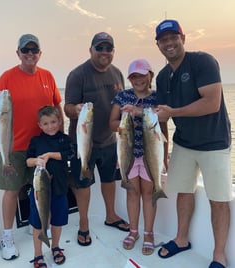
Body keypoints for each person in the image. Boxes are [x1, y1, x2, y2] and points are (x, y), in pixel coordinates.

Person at [155, 19, 232, 268]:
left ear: (183, 38)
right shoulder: (163, 76)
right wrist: (164, 152)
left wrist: (174, 112)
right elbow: (161, 116)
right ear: (158, 44)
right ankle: (181, 239)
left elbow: (212, 103)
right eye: (163, 39)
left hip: (214, 143)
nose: (169, 43)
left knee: (218, 199)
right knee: (183, 192)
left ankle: (219, 255)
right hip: (183, 144)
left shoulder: (203, 61)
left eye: (173, 37)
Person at [0, 34, 64, 260]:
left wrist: (62, 135)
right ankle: (7, 236)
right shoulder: (7, 77)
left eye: (34, 50)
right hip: (14, 147)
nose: (30, 53)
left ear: (40, 53)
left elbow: (57, 107)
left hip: (42, 145)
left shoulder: (47, 76)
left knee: (39, 189)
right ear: (18, 53)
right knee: (12, 191)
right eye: (25, 50)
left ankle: (36, 223)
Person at [64, 32, 129, 246]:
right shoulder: (77, 74)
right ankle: (83, 224)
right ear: (90, 49)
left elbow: (121, 108)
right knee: (83, 184)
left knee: (110, 180)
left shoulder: (118, 74)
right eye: (99, 48)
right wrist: (76, 108)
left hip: (110, 141)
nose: (104, 52)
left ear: (113, 51)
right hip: (83, 142)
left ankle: (111, 215)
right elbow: (67, 108)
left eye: (108, 48)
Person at [110, 59, 168, 255]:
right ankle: (133, 231)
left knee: (149, 193)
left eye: (142, 75)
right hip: (128, 153)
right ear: (129, 79)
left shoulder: (157, 97)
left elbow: (164, 124)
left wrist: (164, 159)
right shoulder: (122, 96)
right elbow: (112, 123)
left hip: (150, 154)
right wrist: (124, 126)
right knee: (132, 192)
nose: (138, 80)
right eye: (134, 76)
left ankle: (149, 233)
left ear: (150, 75)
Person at [26, 106, 75, 267]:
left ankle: (55, 247)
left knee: (58, 221)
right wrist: (36, 161)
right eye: (45, 123)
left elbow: (70, 154)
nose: (50, 126)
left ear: (60, 121)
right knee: (39, 222)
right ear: (39, 125)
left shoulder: (65, 139)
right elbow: (28, 161)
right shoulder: (36, 141)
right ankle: (38, 254)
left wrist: (49, 155)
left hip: (60, 188)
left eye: (53, 122)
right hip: (39, 192)